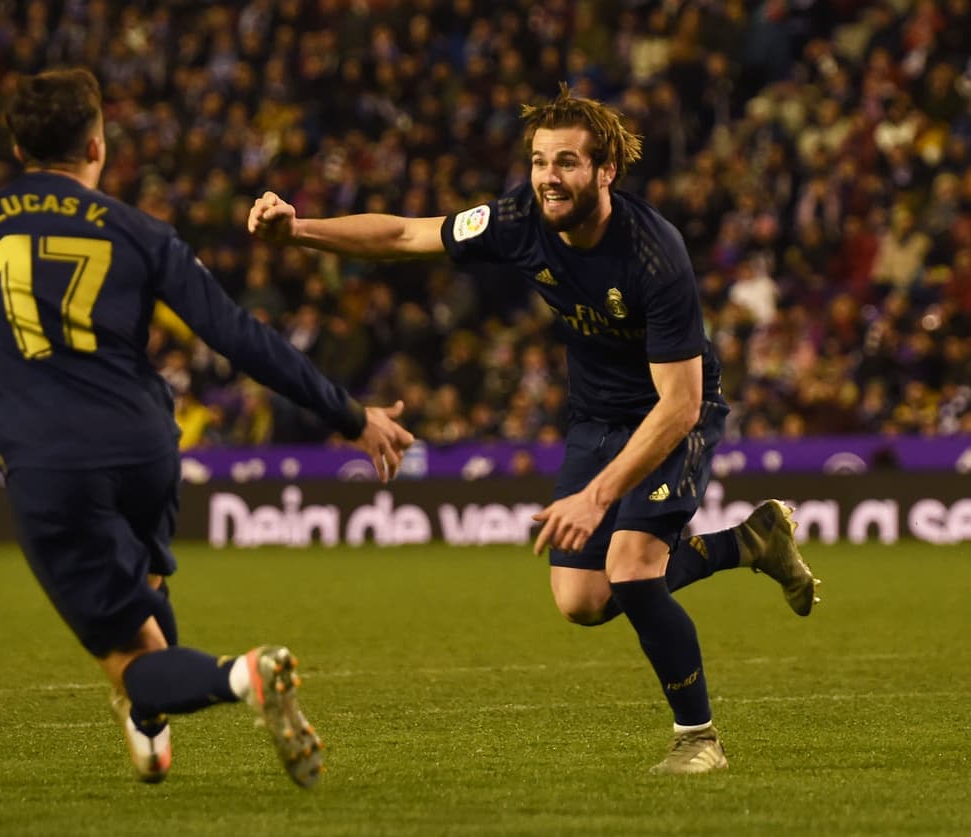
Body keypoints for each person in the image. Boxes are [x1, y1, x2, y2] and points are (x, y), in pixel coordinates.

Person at [0, 68, 415, 788]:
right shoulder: (141, 233)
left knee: (132, 663)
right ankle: (146, 724)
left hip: (51, 463)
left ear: (17, 146)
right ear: (98, 145)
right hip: (146, 448)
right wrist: (352, 416)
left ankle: (241, 677)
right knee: (145, 608)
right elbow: (238, 335)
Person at [248, 85, 819, 775]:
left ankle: (698, 738)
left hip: (675, 412)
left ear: (606, 170)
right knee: (582, 601)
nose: (550, 176)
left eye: (568, 162)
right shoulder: (517, 217)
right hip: (597, 413)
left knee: (633, 567)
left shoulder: (654, 255)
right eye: (541, 160)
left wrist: (597, 496)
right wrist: (299, 229)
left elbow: (679, 405)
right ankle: (748, 542)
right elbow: (406, 233)